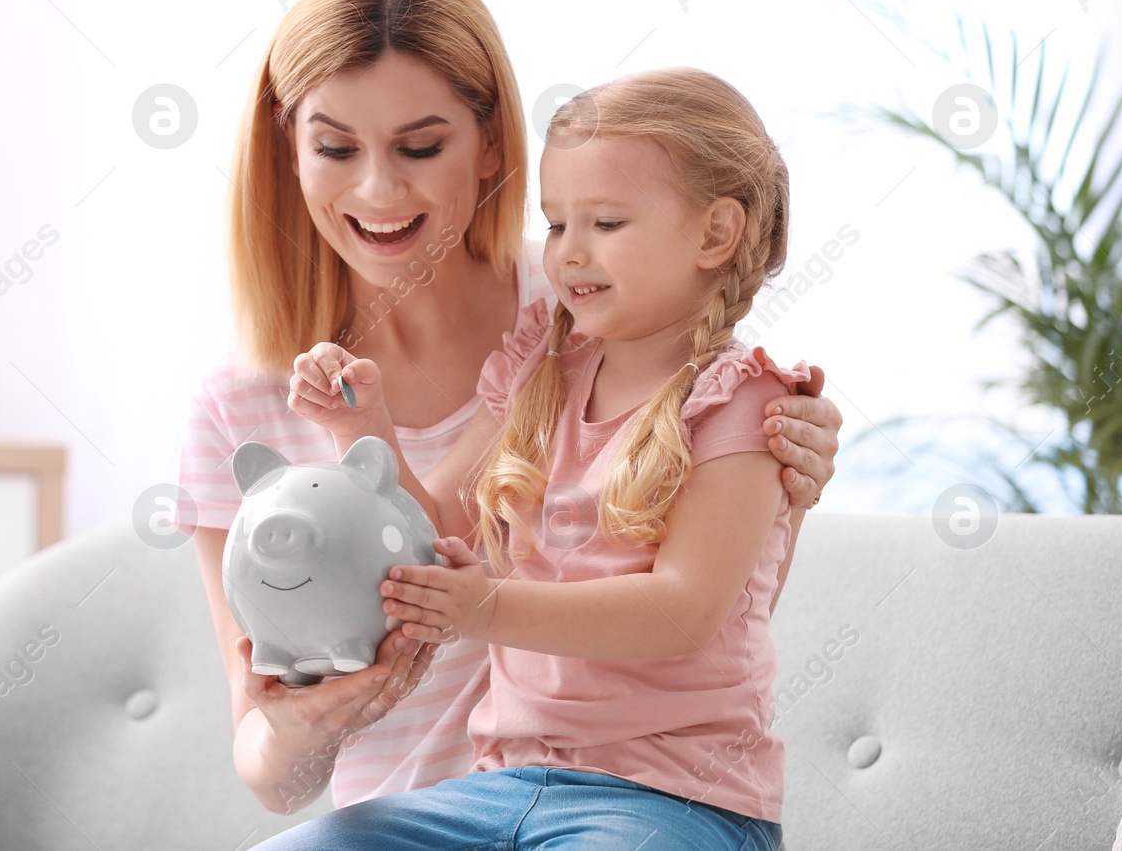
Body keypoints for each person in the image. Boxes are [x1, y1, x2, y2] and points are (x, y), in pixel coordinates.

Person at [173, 0, 843, 817]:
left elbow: (706, 611)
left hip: (633, 803)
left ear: (492, 141)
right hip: (429, 816)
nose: (379, 189)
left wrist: (780, 468)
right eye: (336, 147)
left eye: (421, 146)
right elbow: (271, 775)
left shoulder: (583, 316)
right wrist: (310, 720)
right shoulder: (242, 404)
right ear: (288, 146)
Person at [262, 66, 801, 849]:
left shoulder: (741, 400)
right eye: (556, 224)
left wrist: (487, 609)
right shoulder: (539, 369)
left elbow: (686, 608)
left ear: (715, 233)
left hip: (678, 800)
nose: (569, 255)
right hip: (501, 788)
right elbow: (436, 520)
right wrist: (360, 426)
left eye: (606, 224)